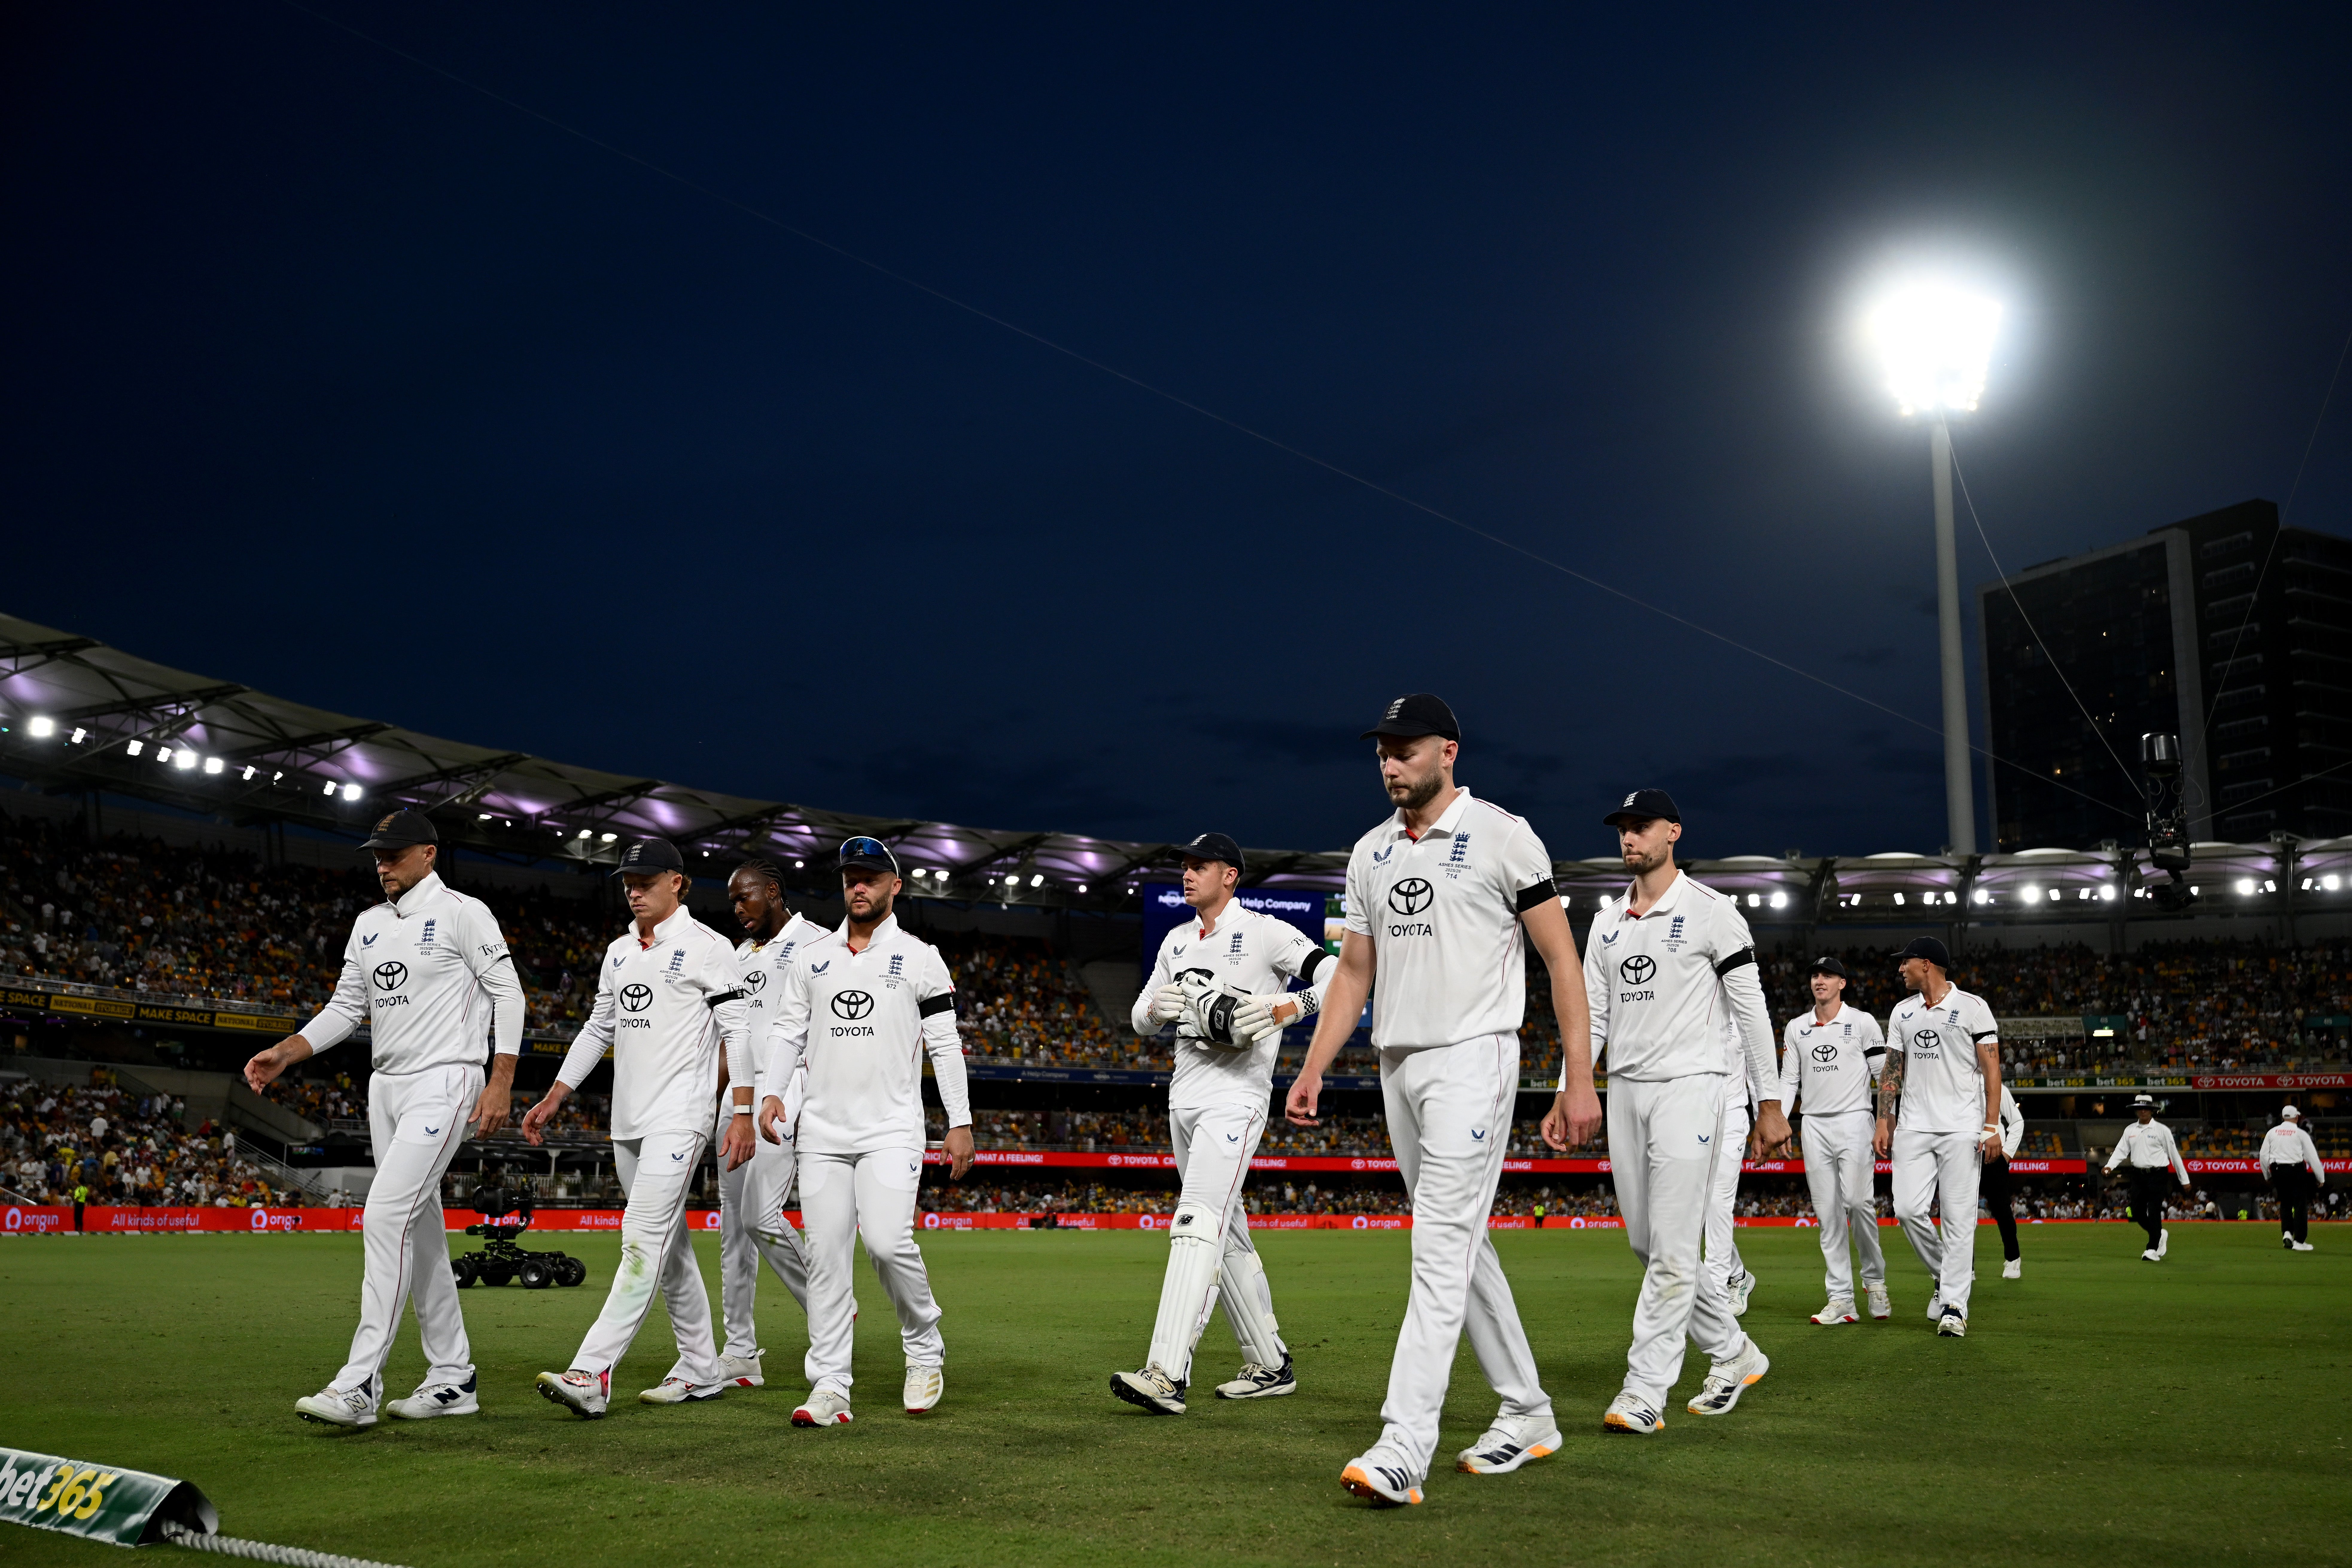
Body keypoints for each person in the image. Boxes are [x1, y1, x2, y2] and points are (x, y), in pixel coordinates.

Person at [1286, 693, 1598, 1507]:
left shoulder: (1502, 833)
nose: (1390, 762)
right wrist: (1315, 1063)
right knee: (1461, 1244)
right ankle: (1527, 1410)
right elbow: (1353, 972)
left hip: (1474, 1056)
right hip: (1397, 1065)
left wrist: (1577, 1078)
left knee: (1436, 1246)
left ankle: (1402, 1443)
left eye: (1405, 748)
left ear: (1448, 751)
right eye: (1381, 750)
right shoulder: (1368, 852)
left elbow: (1561, 962)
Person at [246, 808, 524, 1427]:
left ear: (428, 853)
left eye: (394, 853)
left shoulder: (463, 911)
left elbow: (509, 993)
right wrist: (288, 1051)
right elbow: (346, 1006)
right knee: (419, 1233)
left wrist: (501, 1077)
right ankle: (453, 1379)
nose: (381, 863)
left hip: (446, 1077)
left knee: (385, 1214)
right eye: (377, 853)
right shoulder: (369, 923)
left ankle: (359, 1384)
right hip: (386, 1088)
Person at [1553, 789, 1788, 1435]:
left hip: (1695, 1084)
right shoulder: (1605, 922)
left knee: (1676, 1247)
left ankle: (1644, 1389)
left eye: (1641, 826)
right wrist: (1570, 1085)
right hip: (1626, 1088)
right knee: (1647, 1242)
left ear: (1673, 832)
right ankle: (1735, 1351)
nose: (1628, 837)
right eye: (1622, 828)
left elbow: (1751, 1012)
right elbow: (1592, 1015)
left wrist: (1768, 1102)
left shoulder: (1713, 912)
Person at [526, 837, 756, 1417]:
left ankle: (592, 1370)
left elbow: (740, 1034)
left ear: (676, 881)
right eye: (628, 880)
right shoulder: (619, 950)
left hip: (681, 1116)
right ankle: (702, 1367)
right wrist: (557, 1093)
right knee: (669, 1246)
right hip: (626, 1120)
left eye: (646, 880)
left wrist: (745, 1112)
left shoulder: (711, 947)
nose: (634, 889)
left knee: (639, 1236)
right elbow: (598, 1028)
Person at [758, 836, 975, 1427]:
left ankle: (924, 1349)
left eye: (872, 877)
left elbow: (945, 1044)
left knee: (884, 1241)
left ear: (894, 886)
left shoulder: (920, 957)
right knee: (825, 1256)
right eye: (852, 876)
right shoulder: (813, 958)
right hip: (821, 1129)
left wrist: (960, 1121)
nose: (860, 885)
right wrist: (772, 1090)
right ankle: (830, 1383)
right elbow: (786, 1030)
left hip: (891, 1129)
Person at [1111, 831, 1330, 1415]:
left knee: (1195, 1220)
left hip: (1235, 1099)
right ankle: (1269, 1363)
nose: (1187, 873)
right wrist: (1155, 1009)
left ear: (1229, 874)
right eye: (1183, 865)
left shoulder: (1265, 932)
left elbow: (1337, 976)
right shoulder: (1176, 940)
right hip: (1182, 1101)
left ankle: (1165, 1371)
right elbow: (1138, 1017)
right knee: (1225, 1232)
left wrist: (1285, 1007)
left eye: (1199, 865)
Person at [713, 857, 823, 1388]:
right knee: (732, 1229)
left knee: (761, 1215)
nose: (737, 909)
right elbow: (727, 1037)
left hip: (785, 1092)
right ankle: (738, 1351)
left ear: (773, 892)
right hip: (736, 1099)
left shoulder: (819, 944)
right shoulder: (735, 957)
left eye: (745, 897)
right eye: (732, 901)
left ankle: (825, 1306)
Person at [1875, 936, 2002, 1337]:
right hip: (1913, 1126)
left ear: (1926, 964)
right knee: (1907, 1209)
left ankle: (1953, 1305)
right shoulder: (1902, 1011)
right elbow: (1891, 1069)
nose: (1900, 969)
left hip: (1961, 1128)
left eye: (1905, 962)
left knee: (1959, 1218)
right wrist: (1884, 1118)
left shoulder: (1973, 1007)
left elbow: (1991, 1071)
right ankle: (1943, 1272)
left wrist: (1991, 1125)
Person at [1777, 955, 1890, 1325]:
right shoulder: (1797, 1027)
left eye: (1827, 975)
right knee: (1827, 1215)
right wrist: (1780, 1122)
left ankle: (1875, 1281)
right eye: (1815, 975)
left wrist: (1885, 1122)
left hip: (1855, 1120)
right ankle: (1841, 1297)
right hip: (1813, 1124)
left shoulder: (1862, 1022)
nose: (1819, 980)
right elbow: (1788, 1080)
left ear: (1843, 983)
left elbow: (1882, 1076)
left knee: (1858, 1204)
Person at [1704, 1013, 1760, 1319]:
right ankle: (1738, 1275)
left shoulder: (1743, 1014)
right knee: (1696, 1208)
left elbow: (1758, 1073)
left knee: (1718, 1203)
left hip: (1733, 1114)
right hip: (1693, 1115)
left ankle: (1713, 1291)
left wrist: (1762, 1119)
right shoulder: (1689, 1003)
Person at [2101, 1094, 2189, 1261]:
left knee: (2155, 1210)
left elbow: (2174, 1155)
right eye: (2139, 1109)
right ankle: (2159, 1234)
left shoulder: (2162, 1130)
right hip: (2138, 1175)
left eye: (2146, 1109)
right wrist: (2109, 1166)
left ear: (2152, 1111)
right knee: (2136, 1212)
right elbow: (2121, 1151)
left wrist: (2184, 1180)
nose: (2143, 1112)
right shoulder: (2130, 1130)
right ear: (2136, 1111)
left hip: (2158, 1174)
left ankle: (2152, 1249)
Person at [2260, 1105, 2324, 1252]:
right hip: (2296, 1170)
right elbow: (2312, 1157)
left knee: (2286, 1203)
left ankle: (2287, 1233)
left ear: (2283, 1118)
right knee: (2300, 1205)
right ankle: (2299, 1242)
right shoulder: (2301, 1134)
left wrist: (2267, 1174)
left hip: (2277, 1170)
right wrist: (2321, 1177)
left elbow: (2263, 1156)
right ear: (2296, 1118)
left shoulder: (2272, 1132)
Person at [1981, 1086, 2028, 1278]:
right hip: (1963, 1154)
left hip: (1994, 1155)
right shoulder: (1957, 1080)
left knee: (2001, 1210)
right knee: (1962, 1213)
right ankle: (1967, 1266)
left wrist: (2007, 1153)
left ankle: (2013, 1259)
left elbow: (2017, 1122)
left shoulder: (1997, 1088)